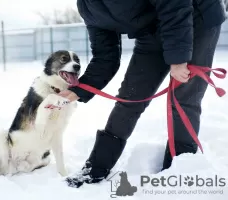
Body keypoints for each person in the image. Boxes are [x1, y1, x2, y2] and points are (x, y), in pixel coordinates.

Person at [57, 0, 227, 188]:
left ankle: (178, 171)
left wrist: (178, 59)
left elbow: (175, 6)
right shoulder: (89, 7)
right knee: (130, 97)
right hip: (152, 30)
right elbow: (105, 57)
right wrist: (80, 90)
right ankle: (96, 167)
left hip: (197, 17)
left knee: (184, 99)